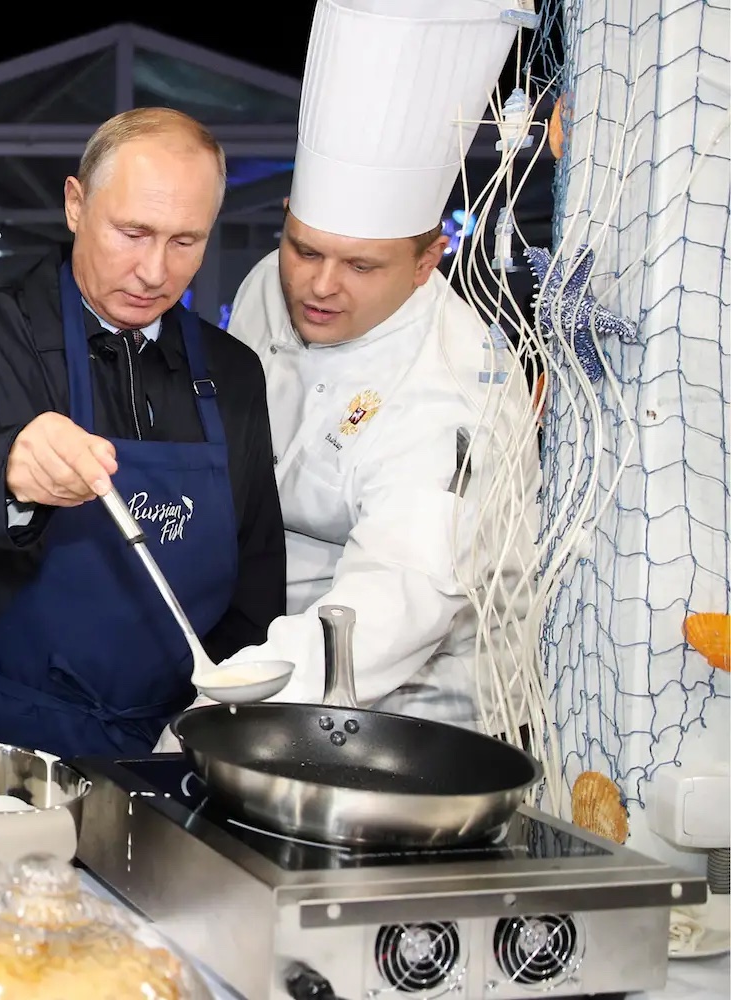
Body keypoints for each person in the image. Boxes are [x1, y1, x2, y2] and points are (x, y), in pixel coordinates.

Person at [0, 108, 286, 759]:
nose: (155, 272)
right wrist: (6, 468)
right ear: (75, 204)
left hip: (170, 738)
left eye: (186, 242)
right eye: (133, 233)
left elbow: (256, 566)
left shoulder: (232, 371)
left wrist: (218, 713)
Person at [196, 0, 531, 729]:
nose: (319, 286)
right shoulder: (266, 284)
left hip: (409, 707)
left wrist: (226, 701)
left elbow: (396, 602)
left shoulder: (451, 387)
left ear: (426, 261)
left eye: (361, 266)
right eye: (305, 248)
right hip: (257, 640)